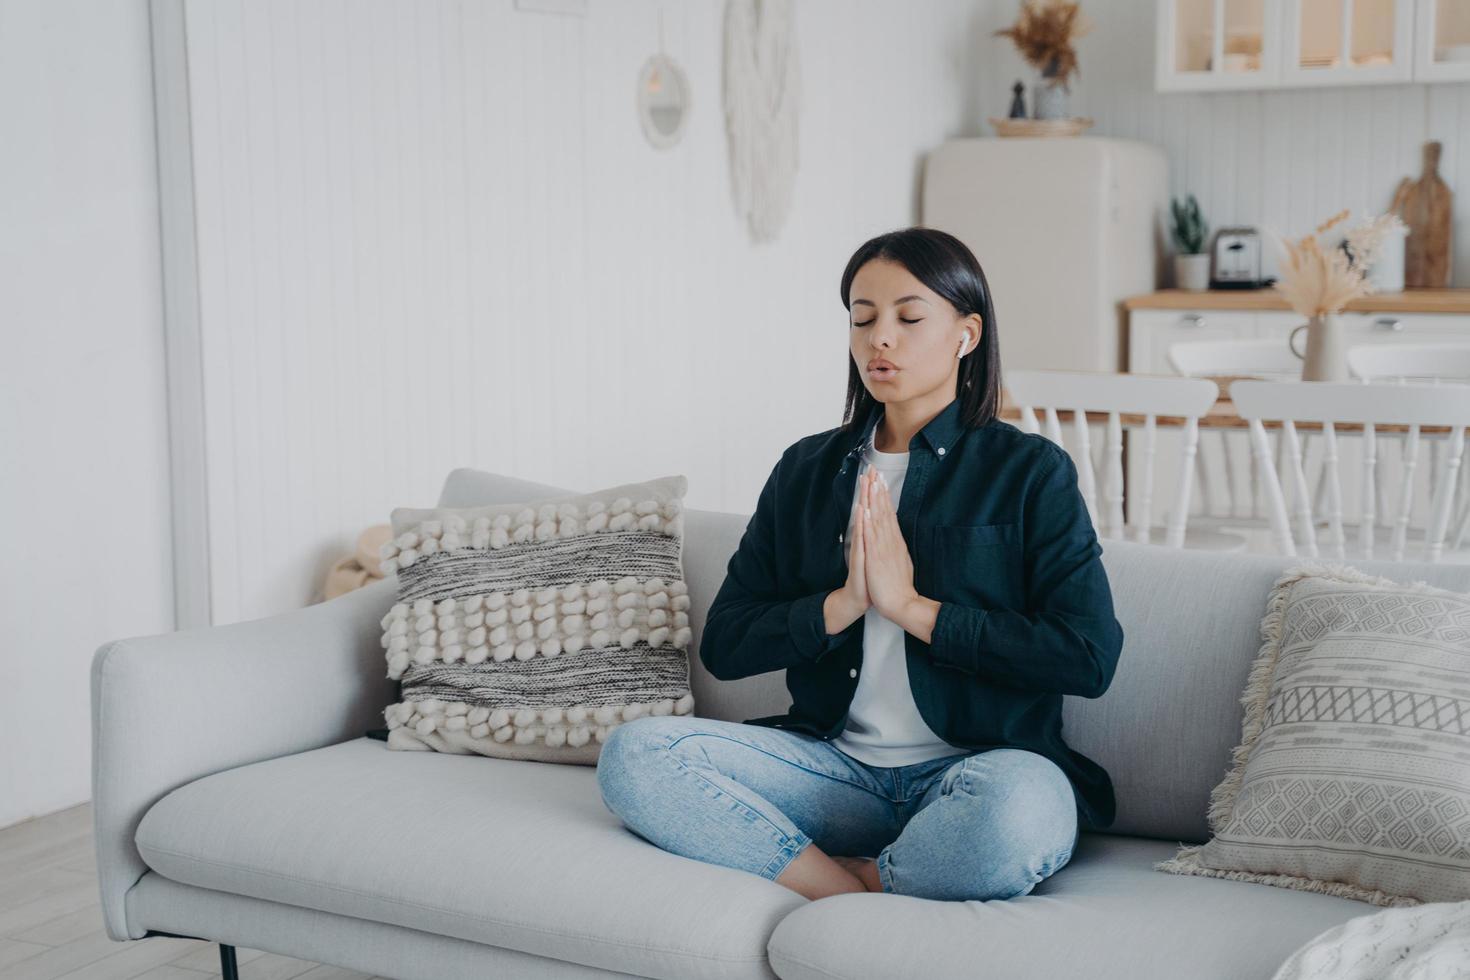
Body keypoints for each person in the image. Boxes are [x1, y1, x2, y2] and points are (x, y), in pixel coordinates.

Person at [596, 226, 1124, 902]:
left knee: (1022, 816)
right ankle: (841, 889)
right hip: (834, 772)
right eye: (863, 317)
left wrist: (913, 608)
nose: (881, 338)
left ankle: (869, 878)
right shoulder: (806, 471)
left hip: (981, 772)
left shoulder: (1027, 472)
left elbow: (1086, 656)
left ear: (966, 334)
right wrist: (842, 604)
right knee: (636, 757)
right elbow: (726, 644)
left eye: (908, 317)